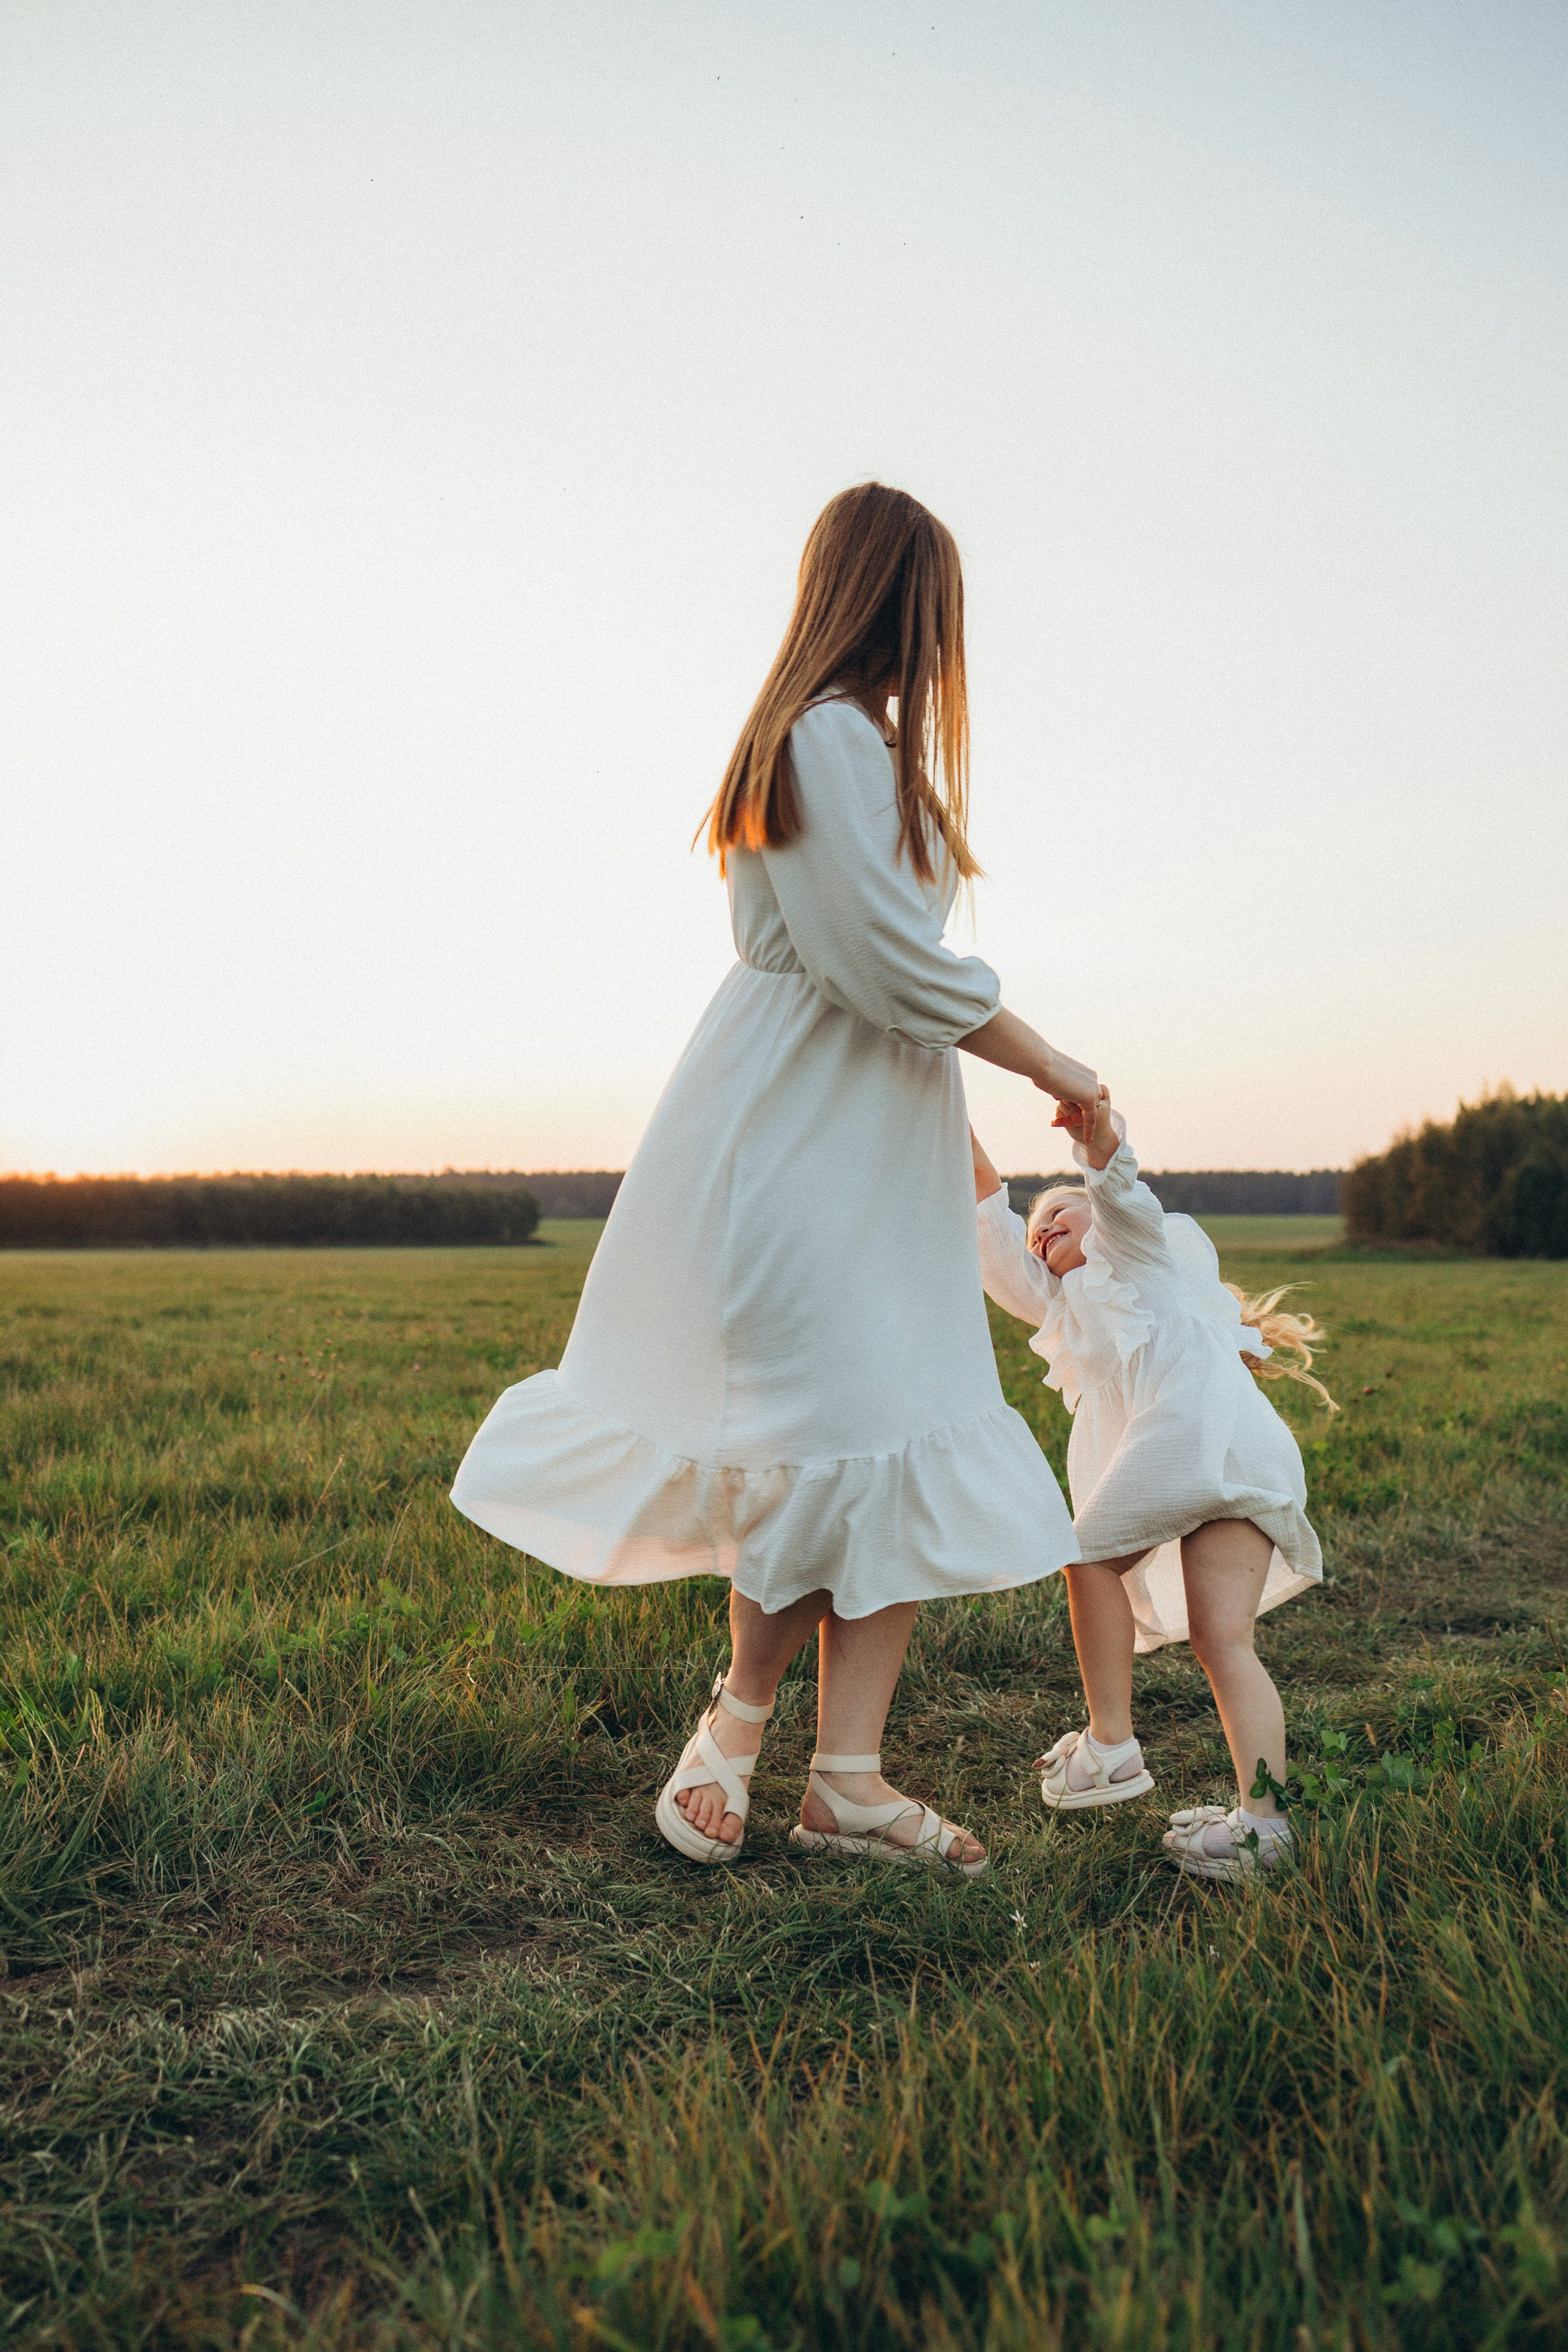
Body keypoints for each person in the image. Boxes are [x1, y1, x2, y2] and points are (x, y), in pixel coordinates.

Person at [452, 481, 1099, 1875]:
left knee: (894, 1432)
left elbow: (890, 1004)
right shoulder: (818, 738)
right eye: (938, 608)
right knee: (816, 1439)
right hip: (799, 1145)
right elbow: (887, 968)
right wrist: (1058, 1066)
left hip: (872, 1143)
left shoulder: (864, 749)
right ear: (900, 601)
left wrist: (958, 1152)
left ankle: (846, 1780)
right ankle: (736, 1725)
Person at [969, 1092, 1335, 1882]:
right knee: (1221, 1639)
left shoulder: (1139, 1252)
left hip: (1208, 1449)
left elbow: (1120, 1193)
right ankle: (1265, 1831)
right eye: (1039, 1233)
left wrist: (1098, 1141)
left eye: (1060, 1212)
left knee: (1092, 1562)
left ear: (1097, 1218)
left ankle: (1110, 1745)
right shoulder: (1067, 1310)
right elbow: (994, 1237)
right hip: (1237, 1459)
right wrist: (945, 1117)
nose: (1044, 1229)